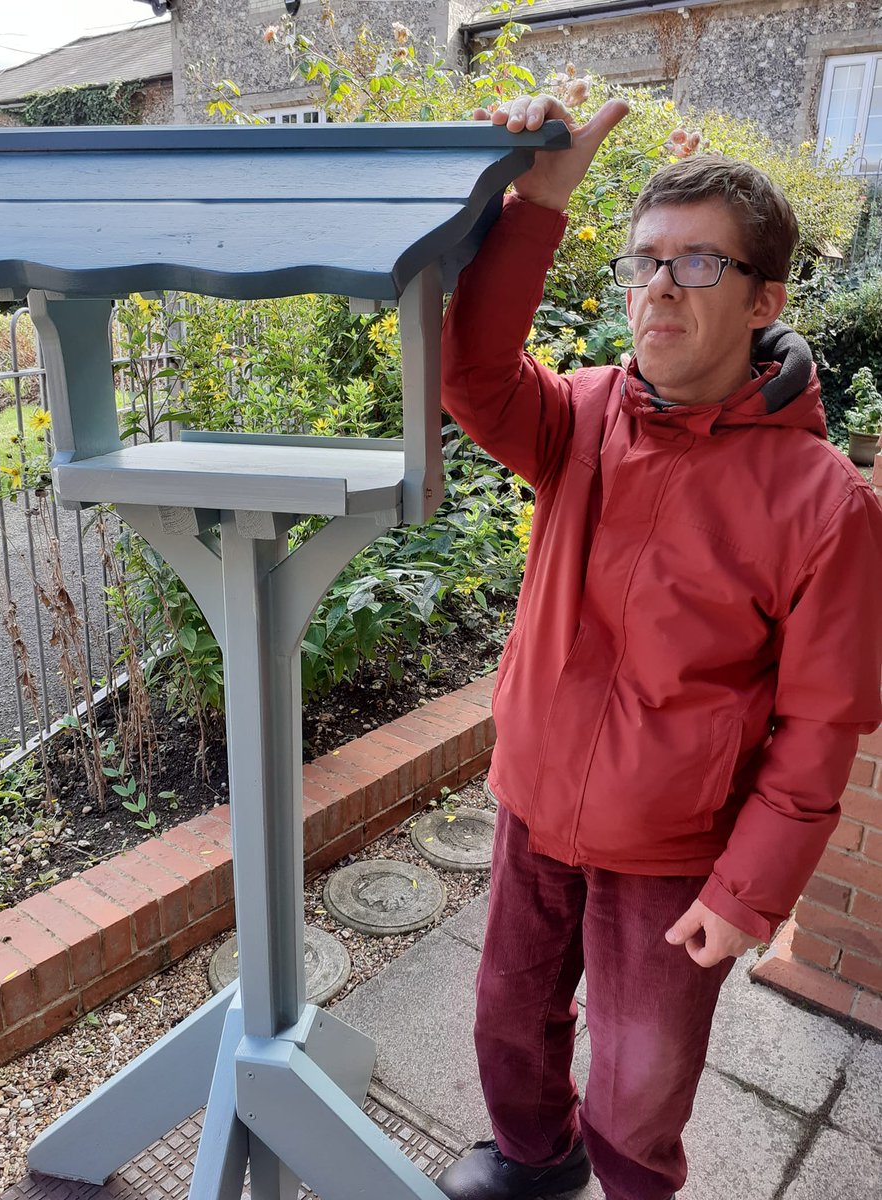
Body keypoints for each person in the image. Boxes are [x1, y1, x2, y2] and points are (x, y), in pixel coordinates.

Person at [435, 93, 882, 1200]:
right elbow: (474, 374)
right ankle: (536, 1159)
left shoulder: (822, 500)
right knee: (507, 1015)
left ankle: (634, 1184)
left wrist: (748, 895)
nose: (655, 290)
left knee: (643, 1077)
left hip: (677, 846)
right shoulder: (581, 417)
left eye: (697, 266)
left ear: (768, 297)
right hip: (533, 804)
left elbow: (824, 725)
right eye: (644, 263)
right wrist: (537, 203)